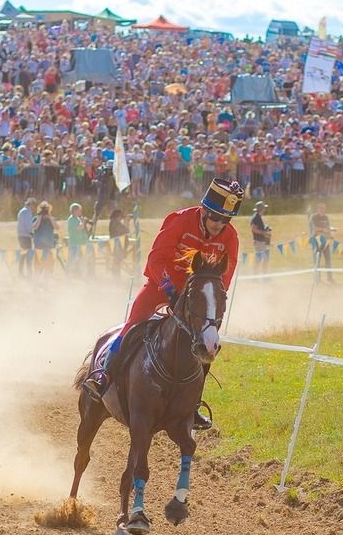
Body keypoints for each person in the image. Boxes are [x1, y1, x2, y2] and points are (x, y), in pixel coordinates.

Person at [83, 178, 244, 431]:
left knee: (206, 343)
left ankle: (193, 405)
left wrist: (210, 305)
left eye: (225, 220)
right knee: (133, 324)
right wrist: (169, 288)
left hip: (194, 299)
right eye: (215, 218)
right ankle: (104, 375)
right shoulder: (179, 220)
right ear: (204, 210)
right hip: (161, 286)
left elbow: (224, 278)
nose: (219, 225)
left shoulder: (231, 238)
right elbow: (156, 257)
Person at [310, 202, 336, 283]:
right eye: (321, 208)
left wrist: (330, 233)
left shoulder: (326, 217)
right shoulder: (314, 217)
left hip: (326, 242)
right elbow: (313, 228)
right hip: (317, 241)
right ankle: (317, 279)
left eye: (324, 208)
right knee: (317, 261)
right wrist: (322, 230)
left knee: (328, 260)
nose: (323, 210)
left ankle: (330, 277)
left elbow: (328, 227)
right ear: (318, 209)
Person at [33, 200, 58, 275]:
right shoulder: (36, 218)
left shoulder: (52, 219)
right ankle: (37, 279)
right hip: (39, 246)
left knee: (50, 265)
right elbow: (35, 227)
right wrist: (40, 218)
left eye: (46, 210)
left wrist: (50, 217)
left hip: (48, 245)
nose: (45, 212)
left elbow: (56, 227)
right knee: (38, 265)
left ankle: (47, 280)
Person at [67, 202, 90, 276]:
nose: (80, 212)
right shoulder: (71, 219)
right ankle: (68, 274)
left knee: (80, 260)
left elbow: (83, 228)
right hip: (74, 244)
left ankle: (77, 274)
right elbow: (79, 228)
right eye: (79, 210)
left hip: (80, 244)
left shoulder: (77, 219)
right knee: (72, 260)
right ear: (75, 211)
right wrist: (83, 222)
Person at [17, 197, 37, 278]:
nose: (35, 208)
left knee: (23, 255)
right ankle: (28, 273)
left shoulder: (23, 211)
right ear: (31, 204)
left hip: (22, 236)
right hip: (25, 236)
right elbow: (29, 226)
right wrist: (33, 234)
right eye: (34, 206)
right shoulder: (27, 212)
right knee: (27, 255)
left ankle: (21, 273)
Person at [250, 200, 272, 272]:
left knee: (264, 259)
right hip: (259, 242)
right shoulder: (256, 217)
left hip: (261, 242)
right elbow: (253, 229)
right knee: (260, 259)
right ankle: (257, 276)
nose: (265, 210)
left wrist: (265, 229)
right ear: (261, 209)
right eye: (264, 208)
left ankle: (262, 275)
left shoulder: (258, 217)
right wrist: (264, 233)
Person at [108, 208, 130, 276]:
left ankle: (116, 276)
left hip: (117, 243)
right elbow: (126, 231)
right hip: (118, 244)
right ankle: (116, 277)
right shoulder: (115, 223)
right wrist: (126, 222)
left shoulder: (113, 222)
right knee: (117, 261)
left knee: (117, 261)